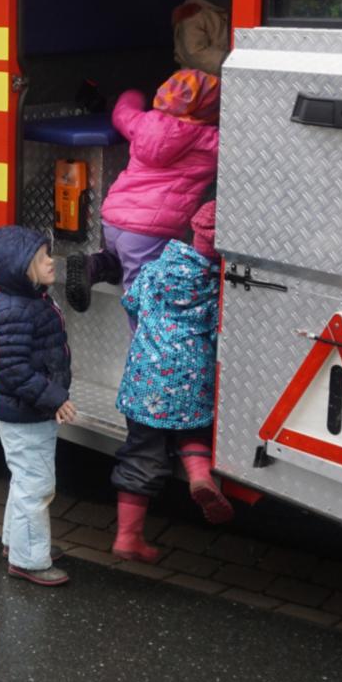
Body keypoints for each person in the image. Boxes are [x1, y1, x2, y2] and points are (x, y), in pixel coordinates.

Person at [112, 201, 232, 563]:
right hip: (190, 380)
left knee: (141, 452)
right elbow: (217, 334)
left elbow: (131, 302)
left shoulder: (156, 269)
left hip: (145, 379)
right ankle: (199, 474)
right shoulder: (215, 286)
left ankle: (127, 537)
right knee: (192, 430)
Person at [66, 68, 221, 316]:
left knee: (121, 259)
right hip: (149, 231)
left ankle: (95, 264)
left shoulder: (143, 123)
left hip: (114, 220)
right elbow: (246, 145)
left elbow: (121, 113)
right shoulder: (209, 141)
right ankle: (144, 353)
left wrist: (133, 92)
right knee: (145, 301)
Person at [0, 226, 75, 588]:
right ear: (18, 269)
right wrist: (56, 398)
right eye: (41, 258)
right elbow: (14, 370)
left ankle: (17, 543)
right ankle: (28, 560)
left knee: (25, 480)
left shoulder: (29, 299)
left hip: (28, 410)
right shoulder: (15, 311)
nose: (51, 260)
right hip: (26, 412)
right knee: (36, 486)